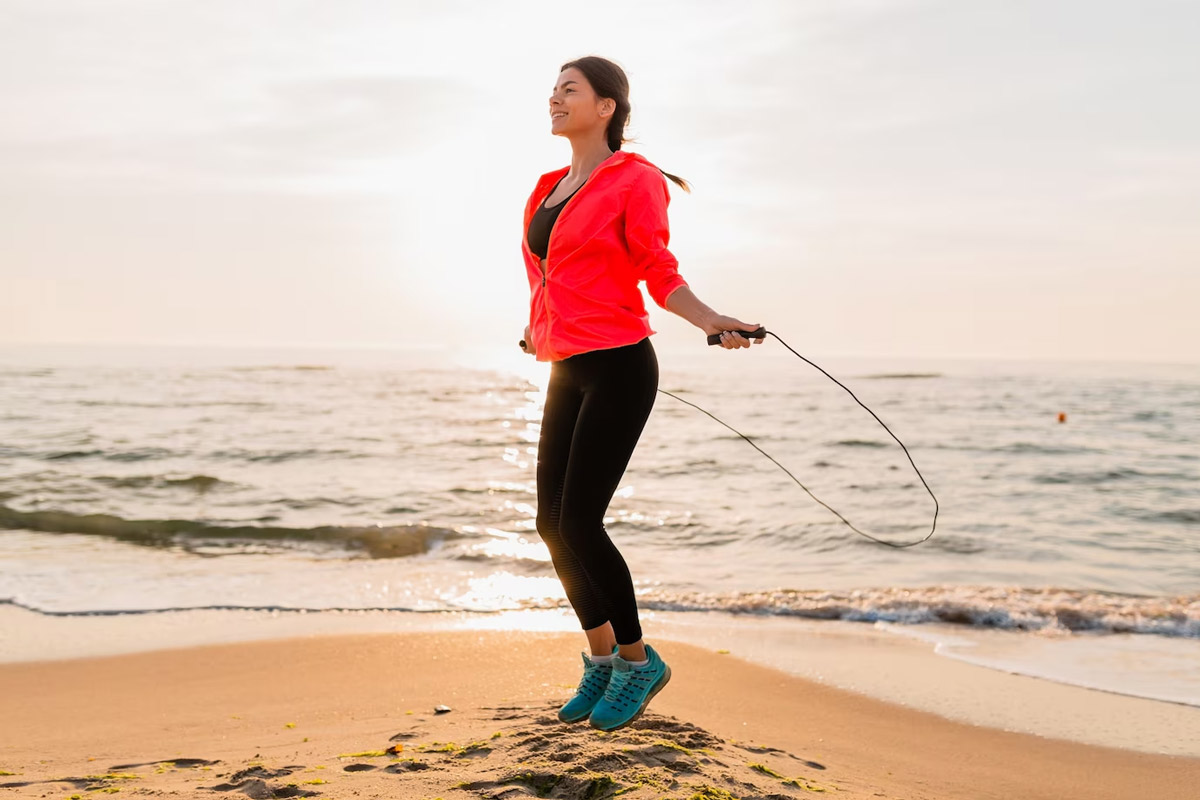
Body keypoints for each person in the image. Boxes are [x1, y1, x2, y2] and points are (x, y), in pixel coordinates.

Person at [519, 56, 763, 732]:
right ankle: (600, 663)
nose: (554, 98)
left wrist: (709, 320)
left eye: (570, 90)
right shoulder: (545, 187)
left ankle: (638, 662)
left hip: (621, 364)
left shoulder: (635, 178)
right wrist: (538, 330)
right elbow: (549, 276)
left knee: (580, 522)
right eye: (553, 89)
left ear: (607, 107)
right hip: (566, 364)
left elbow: (656, 267)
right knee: (550, 524)